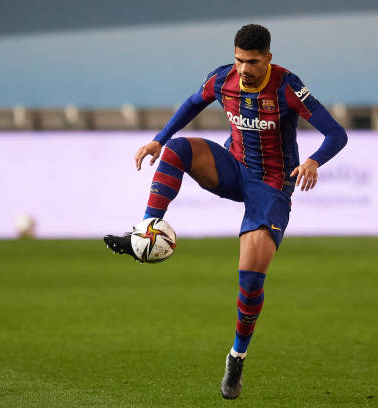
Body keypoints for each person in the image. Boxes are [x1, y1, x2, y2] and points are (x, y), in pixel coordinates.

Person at [104, 24, 347, 400]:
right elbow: (191, 104)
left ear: (268, 58)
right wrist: (158, 139)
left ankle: (236, 357)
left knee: (250, 282)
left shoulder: (287, 86)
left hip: (272, 186)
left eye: (252, 62)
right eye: (239, 60)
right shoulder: (223, 79)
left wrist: (314, 161)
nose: (244, 69)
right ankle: (145, 232)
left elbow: (336, 134)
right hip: (233, 167)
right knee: (177, 150)